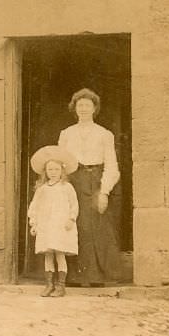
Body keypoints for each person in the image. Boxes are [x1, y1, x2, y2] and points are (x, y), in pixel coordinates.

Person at [58, 87, 122, 286]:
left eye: (88, 105)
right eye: (80, 105)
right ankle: (75, 276)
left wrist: (104, 191)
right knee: (75, 225)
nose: (83, 109)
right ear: (74, 108)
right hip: (74, 181)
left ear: (94, 108)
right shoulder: (66, 133)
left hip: (96, 181)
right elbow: (60, 162)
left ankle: (96, 277)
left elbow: (112, 165)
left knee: (97, 226)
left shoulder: (105, 134)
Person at [28, 145, 79, 297]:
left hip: (61, 225)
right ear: (45, 172)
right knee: (48, 254)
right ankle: (49, 285)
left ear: (62, 171)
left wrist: (71, 219)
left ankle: (60, 286)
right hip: (46, 225)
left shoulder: (67, 187)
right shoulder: (42, 189)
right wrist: (34, 223)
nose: (53, 173)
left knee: (59, 253)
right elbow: (35, 206)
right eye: (50, 170)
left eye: (56, 170)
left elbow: (74, 204)